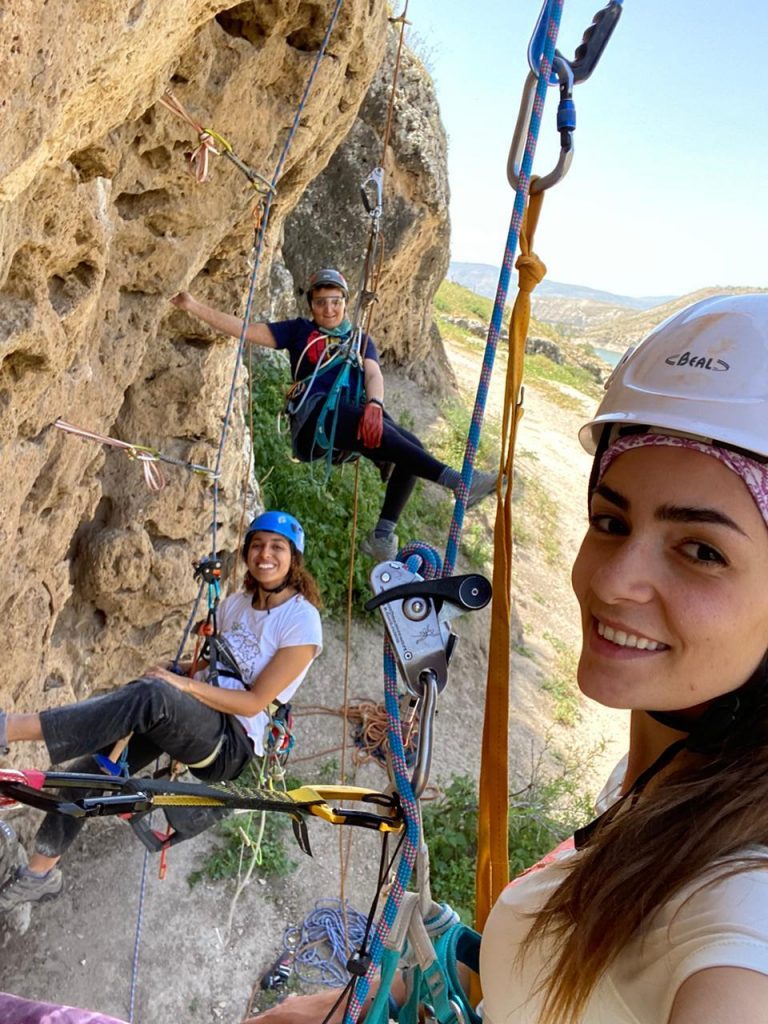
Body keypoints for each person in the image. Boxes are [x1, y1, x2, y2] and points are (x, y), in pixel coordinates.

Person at [245, 294, 768, 1024]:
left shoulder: (742, 926)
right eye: (611, 522)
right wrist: (402, 987)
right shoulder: (664, 782)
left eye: (703, 551)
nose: (612, 582)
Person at [0, 511, 323, 913]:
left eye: (277, 547)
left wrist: (181, 685)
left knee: (155, 694)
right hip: (198, 715)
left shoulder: (302, 621)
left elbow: (255, 701)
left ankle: (9, 729)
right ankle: (40, 874)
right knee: (90, 771)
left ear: (294, 557)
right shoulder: (236, 605)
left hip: (231, 743)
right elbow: (209, 670)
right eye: (257, 545)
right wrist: (184, 673)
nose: (264, 555)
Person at [170, 269, 498, 561]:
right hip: (315, 420)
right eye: (321, 302)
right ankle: (458, 483)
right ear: (311, 306)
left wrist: (375, 406)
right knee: (390, 437)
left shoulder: (359, 340)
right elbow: (245, 329)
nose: (329, 309)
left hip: (352, 417)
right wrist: (193, 306)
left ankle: (382, 536)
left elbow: (373, 375)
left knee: (411, 446)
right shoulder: (298, 331)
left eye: (335, 301)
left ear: (344, 301)